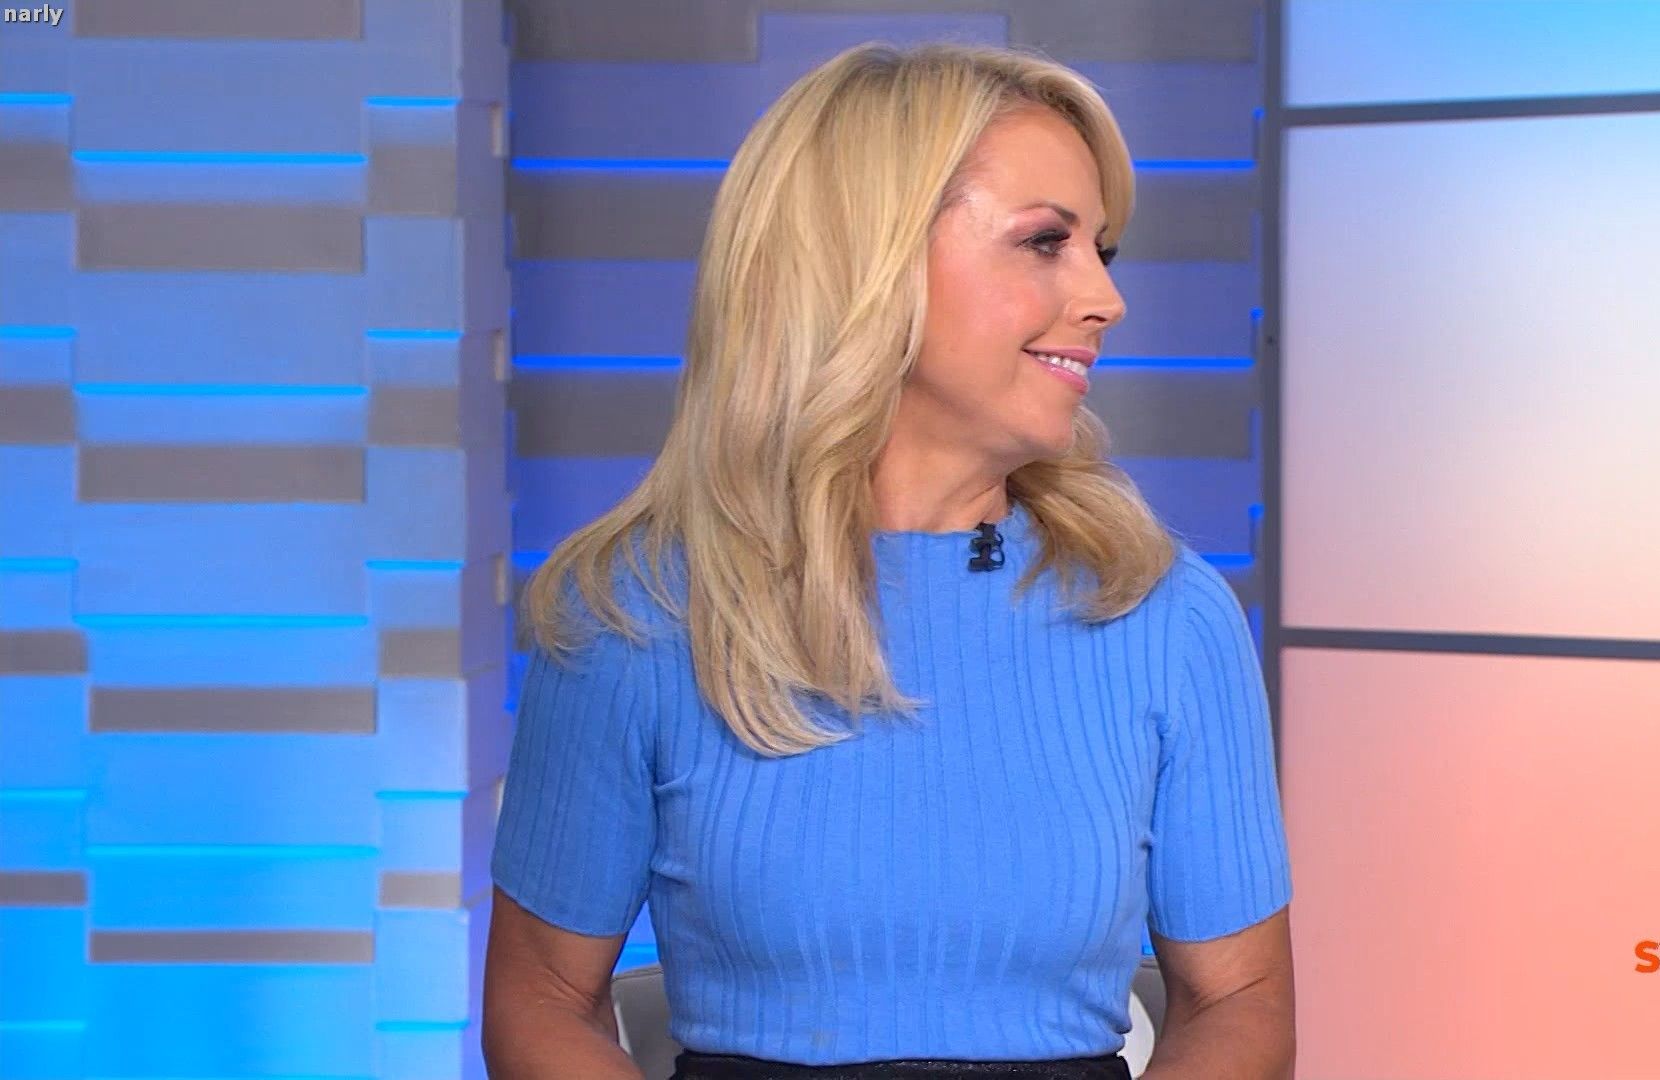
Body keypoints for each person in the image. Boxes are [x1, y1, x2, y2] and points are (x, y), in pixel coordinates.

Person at [481, 40, 1296, 1080]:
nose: (1106, 298)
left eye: (1102, 250)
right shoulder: (631, 615)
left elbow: (1243, 1000)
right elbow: (540, 1002)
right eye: (1046, 241)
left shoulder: (1167, 614)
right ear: (868, 262)